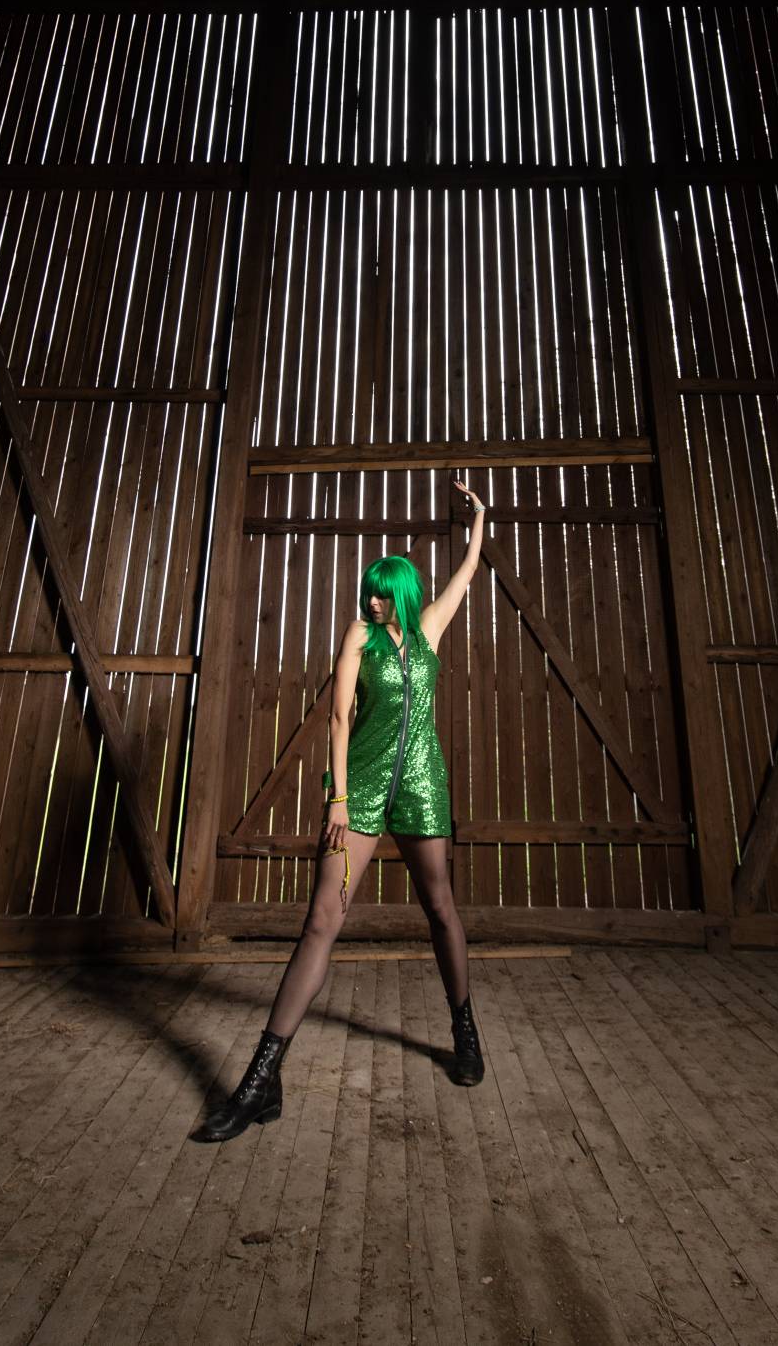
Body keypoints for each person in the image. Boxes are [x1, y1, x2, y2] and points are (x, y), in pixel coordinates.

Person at [191, 477, 488, 1143]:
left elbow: (468, 571)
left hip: (421, 784)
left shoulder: (430, 628)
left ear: (406, 594)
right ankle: (260, 1079)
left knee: (440, 908)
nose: (376, 600)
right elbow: (338, 715)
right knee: (323, 917)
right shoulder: (360, 634)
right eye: (371, 592)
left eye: (386, 593)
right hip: (361, 786)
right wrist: (339, 794)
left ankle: (463, 1029)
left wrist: (480, 520)